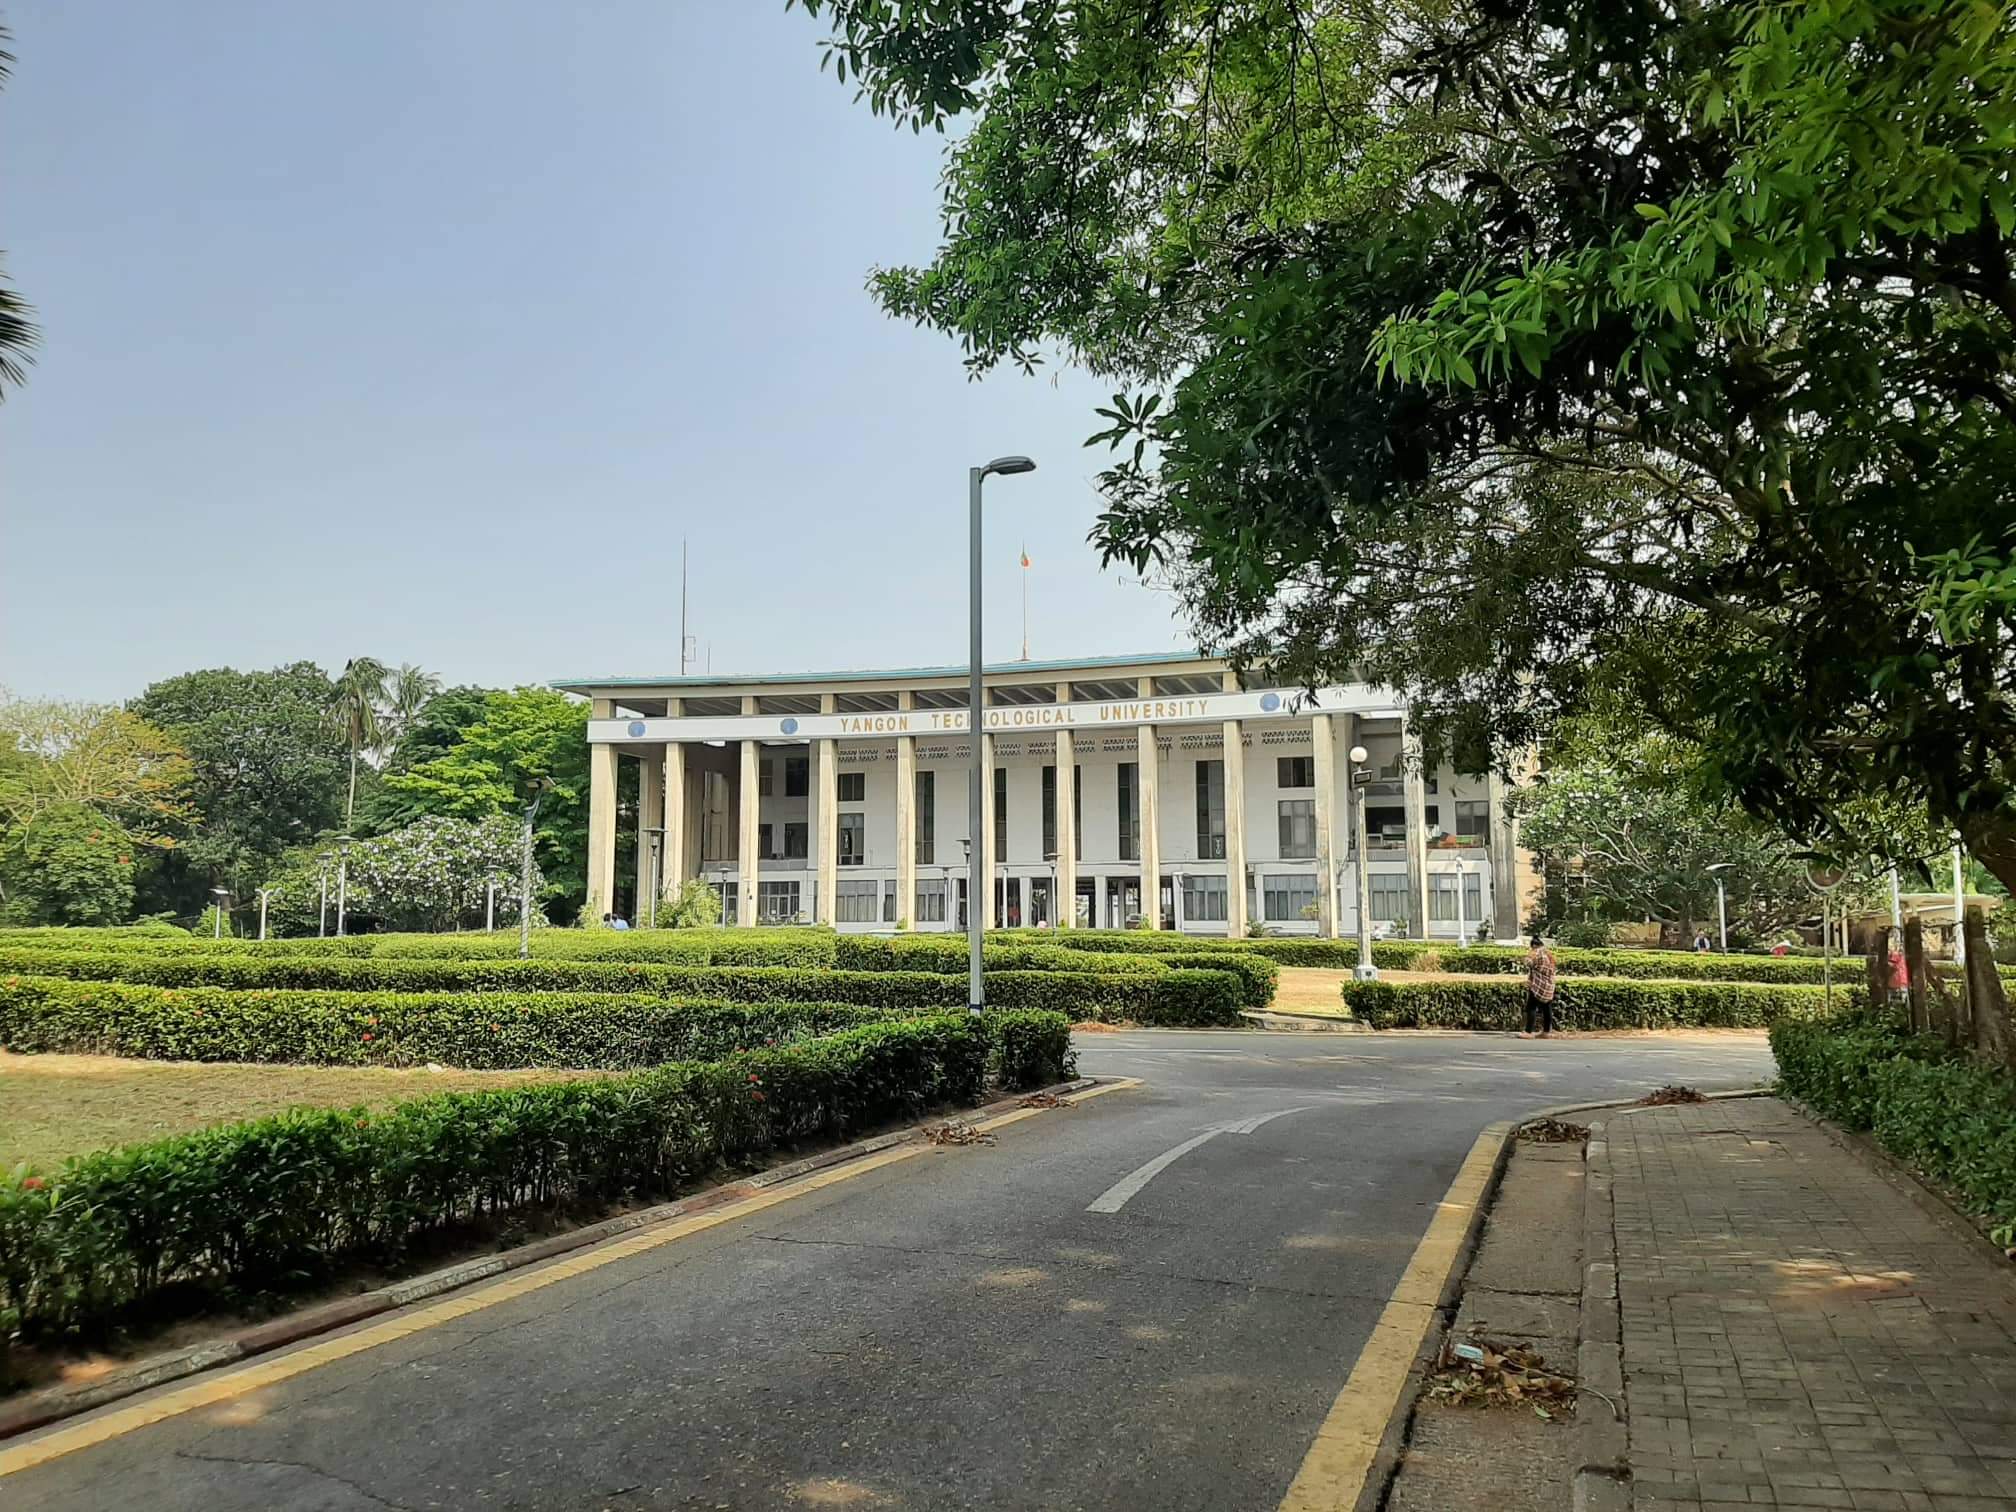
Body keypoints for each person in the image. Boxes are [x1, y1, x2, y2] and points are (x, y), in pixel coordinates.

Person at [1523, 934, 1557, 1038]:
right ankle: (1546, 1032)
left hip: (1538, 985)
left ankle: (1528, 1032)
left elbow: (1527, 962)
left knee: (1531, 1007)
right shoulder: (1549, 954)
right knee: (1547, 1009)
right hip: (1549, 984)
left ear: (1533, 945)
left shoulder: (1536, 952)